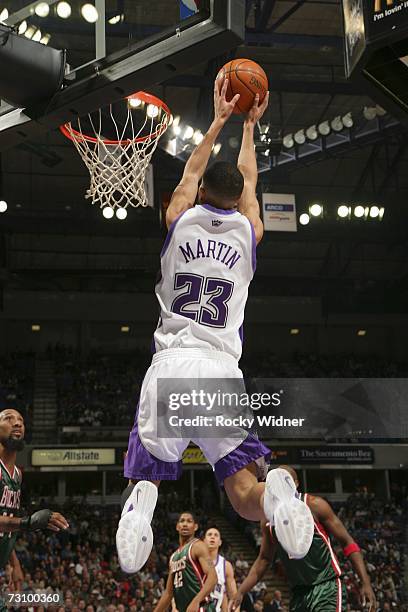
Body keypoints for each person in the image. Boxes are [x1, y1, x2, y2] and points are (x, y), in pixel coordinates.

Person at [116, 79, 314, 574]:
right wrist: (251, 125)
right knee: (244, 491)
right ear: (240, 198)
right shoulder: (250, 232)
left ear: (201, 191)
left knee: (149, 476)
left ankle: (139, 513)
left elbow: (190, 172)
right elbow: (248, 181)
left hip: (172, 361)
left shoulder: (179, 219)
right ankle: (279, 499)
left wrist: (221, 118)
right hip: (221, 369)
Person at [229, 466, 377, 612]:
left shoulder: (314, 505)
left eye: (285, 481)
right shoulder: (268, 521)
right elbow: (264, 560)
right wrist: (241, 591)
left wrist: (365, 582)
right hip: (299, 593)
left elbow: (347, 542)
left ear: (296, 483)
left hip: (326, 586)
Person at [0, 409, 69, 610]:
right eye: (8, 418)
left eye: (21, 420)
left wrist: (14, 562)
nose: (17, 423)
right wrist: (27, 523)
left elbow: (6, 521)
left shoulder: (16, 475)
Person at [153, 511, 218, 612]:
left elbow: (213, 577)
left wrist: (196, 601)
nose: (185, 524)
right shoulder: (173, 557)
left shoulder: (198, 546)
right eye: (182, 521)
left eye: (189, 521)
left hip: (201, 607)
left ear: (195, 527)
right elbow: (168, 593)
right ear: (177, 527)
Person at [203, 526, 238, 611]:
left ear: (220, 542)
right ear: (204, 541)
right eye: (209, 534)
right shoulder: (195, 562)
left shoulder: (226, 566)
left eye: (216, 535)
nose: (212, 537)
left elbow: (234, 597)